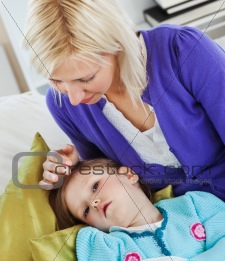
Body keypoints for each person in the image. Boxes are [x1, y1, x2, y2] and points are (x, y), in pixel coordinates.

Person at [24, 0, 225, 200]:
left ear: (117, 46)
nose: (74, 99)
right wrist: (74, 170)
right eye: (57, 81)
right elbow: (113, 185)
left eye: (86, 79)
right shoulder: (62, 105)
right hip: (173, 223)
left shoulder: (183, 50)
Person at [49, 157, 225, 261]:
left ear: (128, 175)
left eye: (95, 186)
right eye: (86, 210)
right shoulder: (105, 247)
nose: (94, 202)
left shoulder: (194, 205)